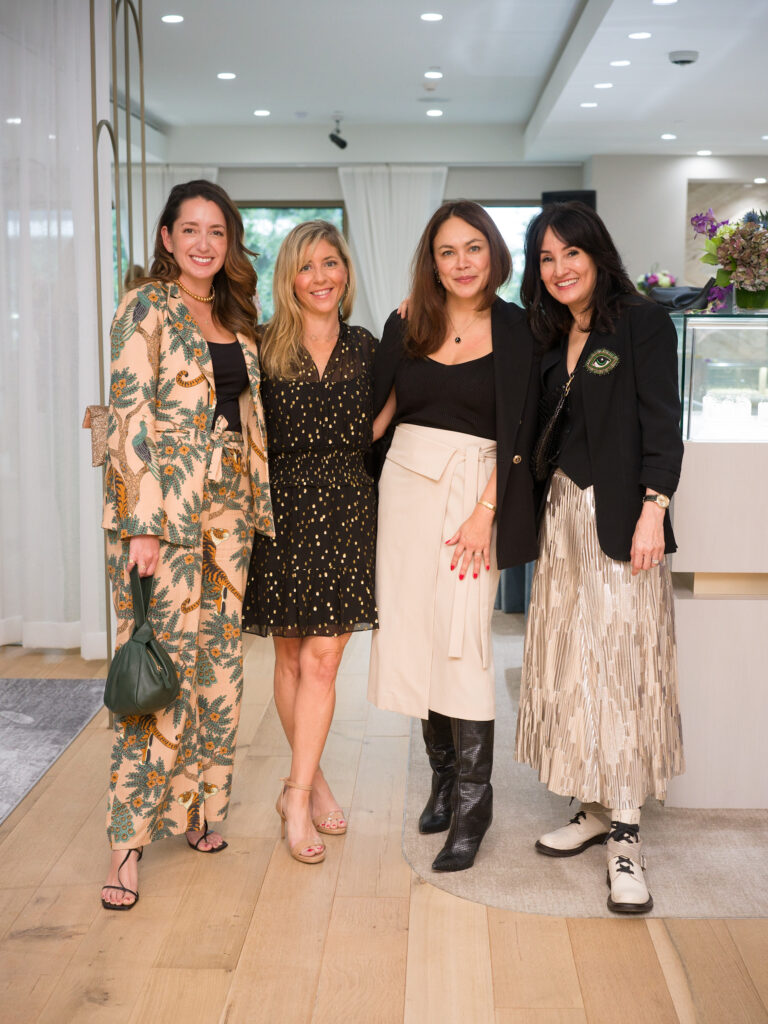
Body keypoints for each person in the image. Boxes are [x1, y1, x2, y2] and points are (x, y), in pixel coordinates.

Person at [100, 180, 273, 909]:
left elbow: (243, 411)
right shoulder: (146, 305)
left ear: (228, 243)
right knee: (158, 667)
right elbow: (128, 414)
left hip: (229, 509)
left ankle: (204, 809)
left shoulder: (235, 312)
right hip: (163, 513)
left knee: (218, 667)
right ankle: (126, 844)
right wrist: (141, 522)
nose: (204, 243)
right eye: (190, 229)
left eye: (217, 232)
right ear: (167, 237)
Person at [515, 201, 684, 914]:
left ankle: (626, 833)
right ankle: (591, 805)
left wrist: (655, 507)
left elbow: (661, 421)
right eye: (546, 259)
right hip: (561, 522)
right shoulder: (550, 332)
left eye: (570, 254)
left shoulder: (640, 321)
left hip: (622, 522)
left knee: (622, 667)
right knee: (574, 665)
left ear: (597, 253)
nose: (559, 270)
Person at [368, 200, 540, 872]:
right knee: (414, 632)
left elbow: (521, 430)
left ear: (493, 254)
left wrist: (485, 511)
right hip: (406, 492)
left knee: (463, 641)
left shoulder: (522, 331)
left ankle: (475, 803)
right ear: (431, 261)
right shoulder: (408, 321)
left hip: (477, 494)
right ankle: (443, 778)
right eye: (447, 251)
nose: (462, 262)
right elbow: (381, 413)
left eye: (473, 248)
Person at [242, 221, 380, 865]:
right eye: (307, 266)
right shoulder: (263, 348)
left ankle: (294, 794)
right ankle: (314, 780)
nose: (321, 276)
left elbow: (393, 412)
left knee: (325, 659)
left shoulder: (369, 346)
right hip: (285, 512)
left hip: (350, 509)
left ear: (346, 272)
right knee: (293, 660)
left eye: (332, 263)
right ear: (289, 278)